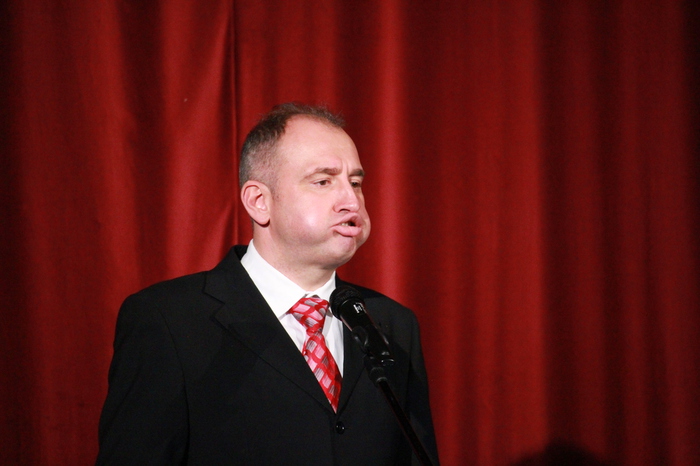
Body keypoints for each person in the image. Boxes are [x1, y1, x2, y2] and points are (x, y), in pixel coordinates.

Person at [97, 103, 439, 465]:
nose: (351, 201)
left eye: (355, 182)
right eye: (323, 181)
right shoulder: (169, 321)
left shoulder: (394, 325)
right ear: (259, 201)